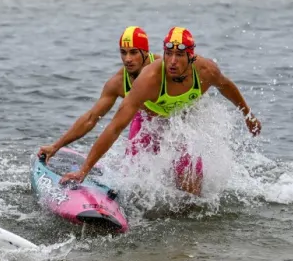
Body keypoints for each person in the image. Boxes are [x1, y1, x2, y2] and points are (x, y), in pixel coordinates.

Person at [60, 27, 262, 196]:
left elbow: (226, 86)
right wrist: (83, 171)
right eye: (169, 54)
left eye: (180, 55)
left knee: (193, 195)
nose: (173, 61)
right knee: (135, 186)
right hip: (147, 125)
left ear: (191, 56)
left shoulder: (206, 71)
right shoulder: (148, 80)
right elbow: (114, 127)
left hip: (181, 126)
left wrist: (248, 115)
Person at [38, 26, 157, 162]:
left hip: (175, 123)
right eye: (123, 53)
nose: (127, 59)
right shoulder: (117, 83)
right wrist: (55, 146)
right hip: (145, 123)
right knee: (137, 168)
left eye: (133, 52)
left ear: (145, 52)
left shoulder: (164, 69)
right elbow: (91, 118)